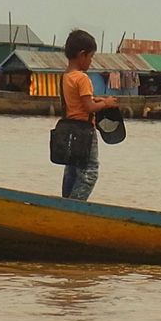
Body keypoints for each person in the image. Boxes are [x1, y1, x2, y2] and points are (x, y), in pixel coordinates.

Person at [59, 29, 117, 201]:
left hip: (70, 130)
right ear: (82, 55)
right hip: (84, 131)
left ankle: (65, 203)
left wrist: (96, 99)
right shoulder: (82, 78)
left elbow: (78, 101)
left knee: (72, 169)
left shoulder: (66, 77)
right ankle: (74, 205)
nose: (91, 61)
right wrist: (106, 103)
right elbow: (89, 107)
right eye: (91, 57)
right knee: (89, 172)